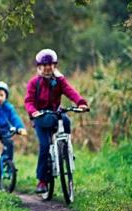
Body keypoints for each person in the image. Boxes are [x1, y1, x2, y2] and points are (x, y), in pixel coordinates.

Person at [24, 49, 89, 194]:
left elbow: (70, 91)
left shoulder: (59, 80)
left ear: (55, 65)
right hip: (40, 118)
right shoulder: (34, 83)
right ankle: (42, 181)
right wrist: (33, 111)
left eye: (51, 64)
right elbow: (28, 100)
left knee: (66, 121)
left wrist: (81, 102)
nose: (47, 67)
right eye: (44, 64)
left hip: (55, 114)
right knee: (44, 146)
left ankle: (66, 148)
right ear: (39, 67)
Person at [0, 81, 26, 172]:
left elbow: (14, 117)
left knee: (9, 143)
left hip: (4, 129)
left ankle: (7, 163)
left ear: (6, 95)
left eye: (1, 95)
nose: (0, 98)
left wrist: (20, 128)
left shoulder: (8, 107)